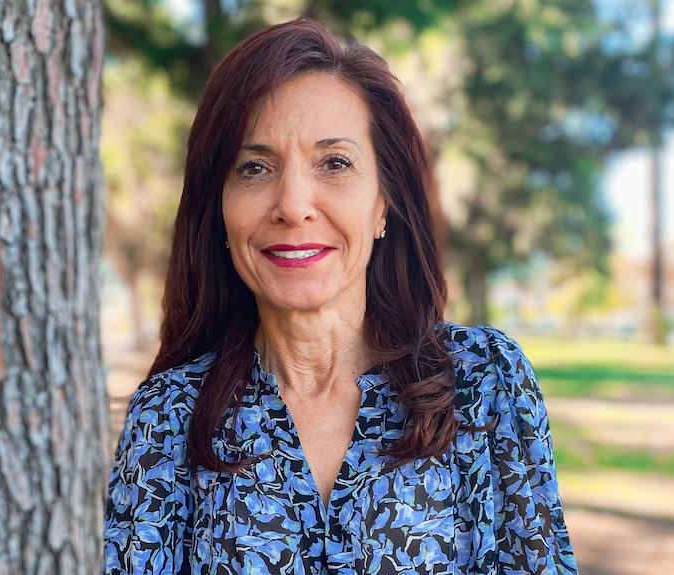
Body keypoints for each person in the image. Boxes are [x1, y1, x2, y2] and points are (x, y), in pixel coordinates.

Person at [104, 18, 576, 575]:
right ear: (220, 210)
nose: (293, 204)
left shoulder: (485, 383)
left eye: (335, 163)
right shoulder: (167, 417)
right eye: (254, 168)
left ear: (383, 204)